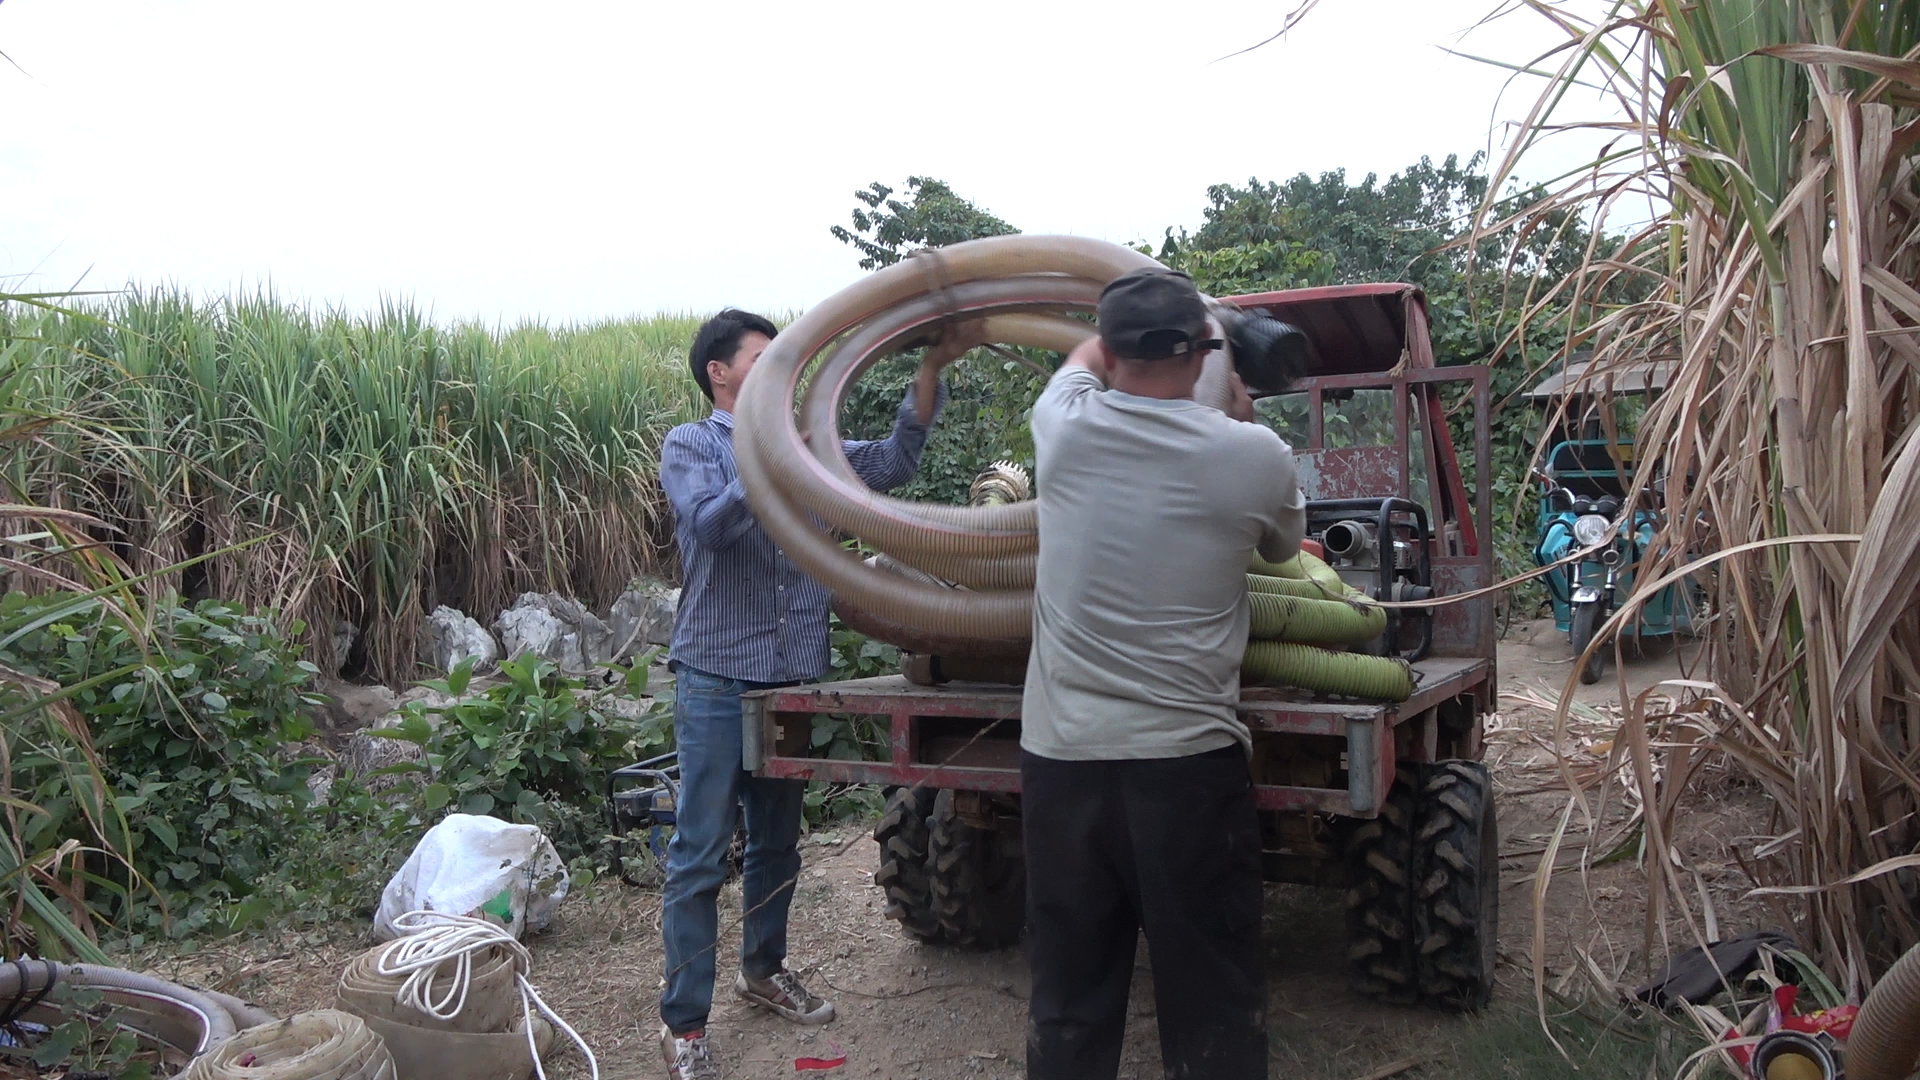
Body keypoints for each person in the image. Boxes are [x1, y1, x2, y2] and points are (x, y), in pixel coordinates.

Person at [1020, 268, 1306, 1080]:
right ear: (1205, 353)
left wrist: (1135, 336)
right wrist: (1237, 411)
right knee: (1212, 996)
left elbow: (1080, 361)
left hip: (1061, 765)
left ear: (1113, 353)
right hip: (1186, 768)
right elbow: (1283, 549)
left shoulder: (1061, 427)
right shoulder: (1254, 455)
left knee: (1069, 996)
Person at [654, 309, 949, 1080]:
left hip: (790, 674)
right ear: (720, 372)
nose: (780, 369)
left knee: (777, 843)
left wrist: (929, 369)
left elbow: (894, 461)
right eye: (762, 357)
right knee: (699, 852)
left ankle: (764, 970)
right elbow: (710, 526)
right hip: (717, 675)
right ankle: (685, 1024)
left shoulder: (815, 450)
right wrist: (778, 462)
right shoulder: (693, 445)